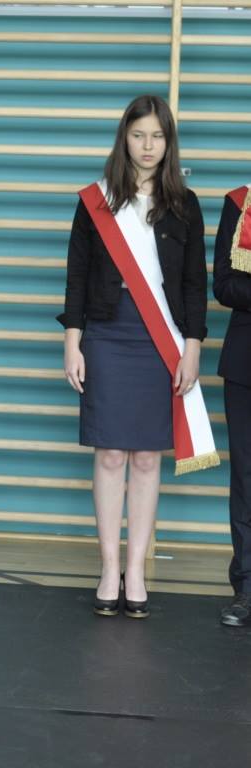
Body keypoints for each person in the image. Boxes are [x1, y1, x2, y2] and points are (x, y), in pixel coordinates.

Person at [59, 94, 216, 621]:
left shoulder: (185, 204)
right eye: (138, 135)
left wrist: (192, 346)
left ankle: (137, 570)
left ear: (169, 143)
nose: (148, 146)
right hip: (107, 332)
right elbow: (77, 275)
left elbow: (194, 283)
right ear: (123, 138)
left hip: (161, 338)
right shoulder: (95, 201)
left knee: (148, 457)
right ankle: (108, 569)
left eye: (157, 136)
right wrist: (73, 340)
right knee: (109, 454)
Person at [213, 181, 251, 627]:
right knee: (246, 477)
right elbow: (223, 284)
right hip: (246, 361)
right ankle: (247, 588)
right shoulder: (240, 203)